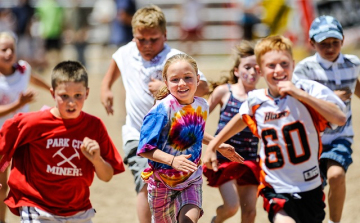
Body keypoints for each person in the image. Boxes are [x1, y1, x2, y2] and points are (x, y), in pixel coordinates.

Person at [204, 35, 347, 223]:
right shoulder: (256, 100)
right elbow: (243, 117)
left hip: (310, 187)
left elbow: (340, 117)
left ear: (293, 64)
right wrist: (213, 144)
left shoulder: (309, 89)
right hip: (276, 188)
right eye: (271, 66)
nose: (279, 70)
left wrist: (301, 95)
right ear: (260, 70)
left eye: (284, 64)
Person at [100, 5, 209, 223]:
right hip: (137, 133)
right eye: (142, 39)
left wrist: (166, 86)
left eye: (154, 39)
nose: (148, 45)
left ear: (165, 35)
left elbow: (204, 86)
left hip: (173, 138)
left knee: (178, 188)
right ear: (133, 37)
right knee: (144, 183)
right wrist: (106, 89)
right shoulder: (125, 52)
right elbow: (112, 68)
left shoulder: (176, 58)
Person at [0, 60, 125, 222]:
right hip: (38, 208)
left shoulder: (94, 126)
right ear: (53, 94)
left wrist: (97, 160)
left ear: (87, 93)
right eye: (64, 96)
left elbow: (107, 176)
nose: (71, 102)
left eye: (78, 96)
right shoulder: (31, 123)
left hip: (79, 210)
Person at [136, 53, 243, 223]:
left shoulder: (201, 105)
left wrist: (218, 144)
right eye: (175, 79)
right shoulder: (161, 110)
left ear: (198, 78)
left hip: (191, 179)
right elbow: (144, 149)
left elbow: (193, 132)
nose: (182, 83)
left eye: (188, 77)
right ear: (166, 82)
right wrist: (172, 160)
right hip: (161, 182)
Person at [293, 15, 360, 223]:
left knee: (336, 175)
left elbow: (355, 86)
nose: (330, 48)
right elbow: (298, 101)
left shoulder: (353, 63)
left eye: (335, 43)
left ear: (342, 41)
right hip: (312, 137)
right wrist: (331, 98)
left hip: (340, 135)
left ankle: (335, 221)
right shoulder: (304, 69)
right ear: (312, 43)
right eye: (324, 44)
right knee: (314, 187)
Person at [203, 41, 260, 223]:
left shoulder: (262, 97)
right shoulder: (223, 92)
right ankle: (216, 221)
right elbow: (196, 121)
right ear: (236, 71)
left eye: (256, 68)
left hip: (250, 159)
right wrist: (212, 145)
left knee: (250, 213)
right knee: (232, 206)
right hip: (224, 159)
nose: (252, 72)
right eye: (247, 67)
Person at [0, 31, 51, 223]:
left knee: (25, 181)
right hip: (1, 137)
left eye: (11, 49)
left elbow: (32, 78)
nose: (8, 53)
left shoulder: (23, 68)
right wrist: (19, 103)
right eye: (3, 49)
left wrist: (51, 88)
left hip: (22, 135)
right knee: (1, 184)